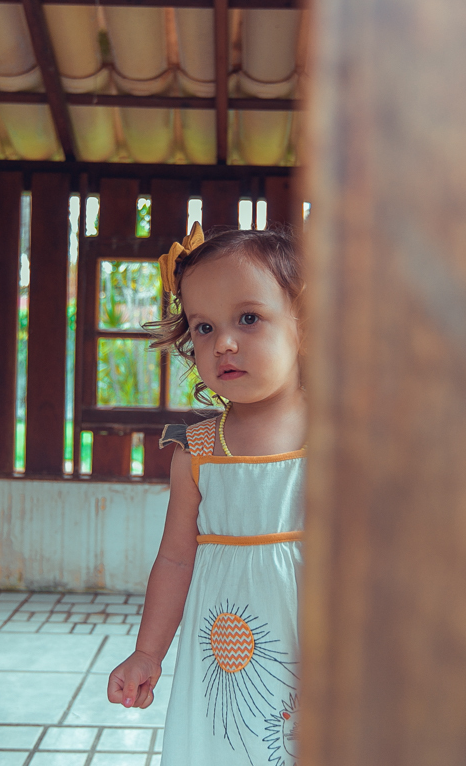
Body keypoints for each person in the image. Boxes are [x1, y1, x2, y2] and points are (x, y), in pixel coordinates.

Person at [107, 221, 306, 765]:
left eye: (249, 318)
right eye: (202, 327)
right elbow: (174, 559)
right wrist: (148, 652)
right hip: (227, 656)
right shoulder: (197, 450)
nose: (225, 342)